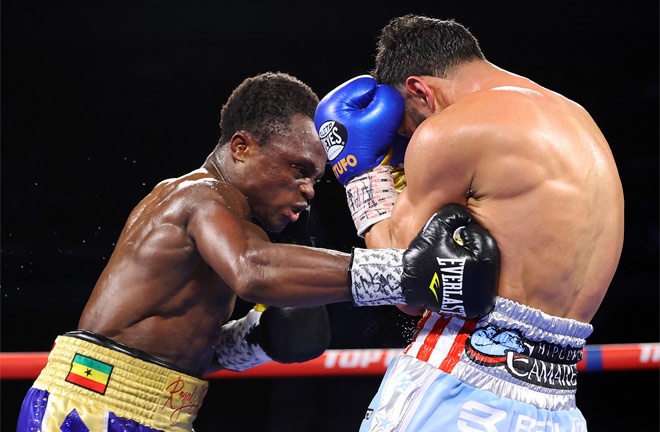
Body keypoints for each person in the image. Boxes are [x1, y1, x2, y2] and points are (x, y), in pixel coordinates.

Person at [16, 71, 500, 432]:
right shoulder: (201, 195)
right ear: (242, 147)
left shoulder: (226, 221)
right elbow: (253, 271)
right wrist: (408, 274)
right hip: (90, 408)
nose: (309, 190)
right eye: (297, 169)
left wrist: (255, 338)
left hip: (139, 406)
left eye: (316, 178)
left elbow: (166, 339)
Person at [314, 14, 624, 431]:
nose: (410, 141)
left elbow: (402, 283)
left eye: (407, 126)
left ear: (420, 91)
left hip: (458, 381)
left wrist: (363, 177)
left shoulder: (451, 129)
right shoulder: (579, 120)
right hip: (558, 404)